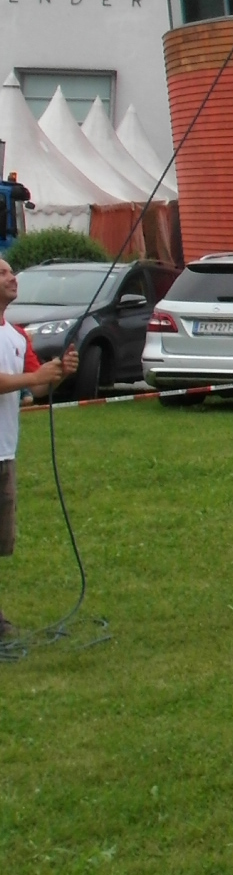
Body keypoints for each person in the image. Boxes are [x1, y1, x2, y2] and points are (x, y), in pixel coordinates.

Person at [0, 258, 80, 637]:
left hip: (5, 453)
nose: (12, 277)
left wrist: (59, 373)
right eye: (2, 273)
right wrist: (35, 375)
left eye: (11, 271)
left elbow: (36, 388)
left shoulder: (18, 337)